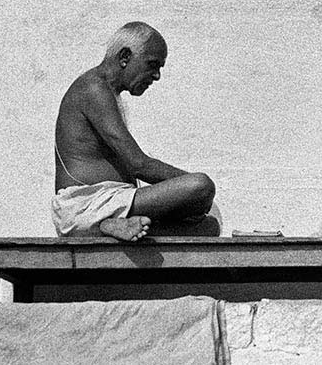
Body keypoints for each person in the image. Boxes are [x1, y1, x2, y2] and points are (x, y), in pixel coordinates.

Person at [52, 21, 220, 240]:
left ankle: (110, 226)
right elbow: (138, 165)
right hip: (85, 205)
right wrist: (192, 189)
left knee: (209, 227)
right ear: (125, 57)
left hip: (115, 202)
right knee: (201, 185)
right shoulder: (93, 88)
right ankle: (100, 224)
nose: (157, 76)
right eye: (152, 65)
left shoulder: (108, 92)